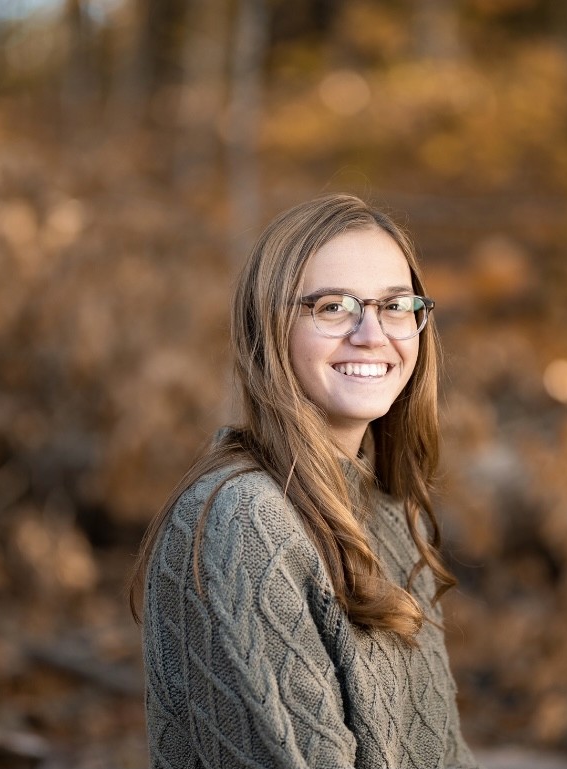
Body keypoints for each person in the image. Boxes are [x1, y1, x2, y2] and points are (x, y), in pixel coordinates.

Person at [129, 194, 478, 769]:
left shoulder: (386, 506)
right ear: (269, 329)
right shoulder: (246, 522)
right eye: (334, 307)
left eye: (395, 306)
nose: (372, 334)